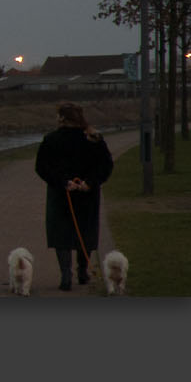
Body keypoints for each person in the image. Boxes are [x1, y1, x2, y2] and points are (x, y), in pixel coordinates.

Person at [33, 101, 115, 290]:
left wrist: (62, 182)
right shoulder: (93, 138)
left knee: (61, 233)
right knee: (84, 231)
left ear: (61, 118)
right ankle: (83, 271)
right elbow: (106, 165)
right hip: (87, 194)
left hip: (61, 194)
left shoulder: (51, 139)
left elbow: (42, 167)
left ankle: (65, 274)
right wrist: (91, 182)